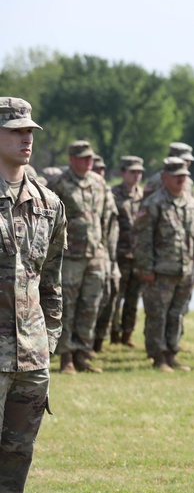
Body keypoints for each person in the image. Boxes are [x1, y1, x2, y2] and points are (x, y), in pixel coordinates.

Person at [0, 97, 65, 493]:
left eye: (30, 131)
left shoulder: (48, 202)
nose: (27, 138)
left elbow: (52, 284)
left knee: (18, 452)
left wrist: (50, 340)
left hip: (31, 354)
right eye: (15, 130)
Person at [48, 140, 114, 374]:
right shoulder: (59, 184)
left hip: (95, 254)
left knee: (91, 305)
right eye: (84, 158)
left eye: (91, 158)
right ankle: (66, 357)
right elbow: (50, 222)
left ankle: (83, 354)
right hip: (71, 256)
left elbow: (105, 218)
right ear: (72, 159)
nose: (89, 162)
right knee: (68, 306)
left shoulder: (98, 183)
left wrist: (105, 251)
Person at [134, 157, 194, 372]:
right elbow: (142, 238)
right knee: (158, 314)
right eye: (176, 176)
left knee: (177, 314)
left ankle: (172, 353)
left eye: (184, 176)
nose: (181, 180)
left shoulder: (193, 205)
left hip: (184, 270)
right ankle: (158, 356)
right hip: (160, 271)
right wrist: (146, 268)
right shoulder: (153, 203)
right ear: (165, 177)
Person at [109, 156, 145, 347]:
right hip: (120, 254)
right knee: (116, 297)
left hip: (138, 256)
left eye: (139, 172)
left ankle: (127, 334)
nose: (137, 176)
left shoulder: (145, 196)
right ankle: (114, 332)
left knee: (133, 298)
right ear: (123, 173)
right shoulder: (113, 194)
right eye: (133, 172)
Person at [90, 155, 120, 353]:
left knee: (109, 294)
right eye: (97, 168)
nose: (100, 172)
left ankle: (98, 341)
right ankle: (86, 344)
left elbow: (110, 226)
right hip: (89, 254)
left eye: (102, 169)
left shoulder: (105, 191)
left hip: (109, 254)